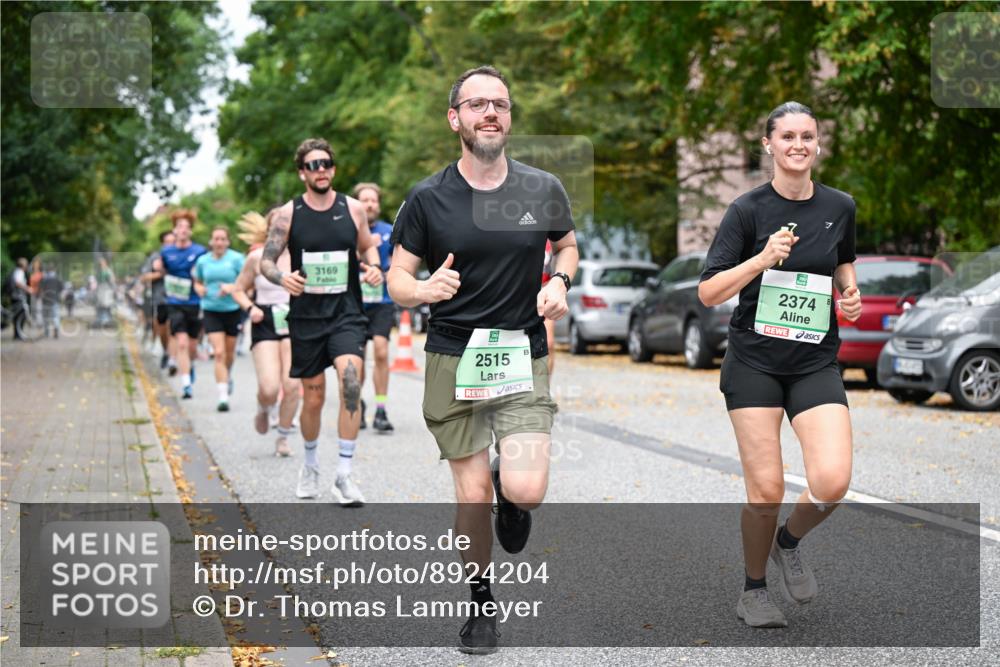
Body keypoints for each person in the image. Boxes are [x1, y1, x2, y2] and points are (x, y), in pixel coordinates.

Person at [387, 65, 578, 654]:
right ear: (455, 119)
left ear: (509, 117)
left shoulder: (542, 187)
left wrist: (561, 282)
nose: (489, 112)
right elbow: (398, 276)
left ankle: (509, 490)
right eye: (476, 104)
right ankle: (480, 602)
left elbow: (566, 244)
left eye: (499, 103)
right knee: (470, 496)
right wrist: (422, 292)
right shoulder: (427, 197)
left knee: (527, 489)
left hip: (522, 351)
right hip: (453, 354)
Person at [697, 101, 862, 628]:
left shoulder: (841, 205)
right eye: (787, 136)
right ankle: (753, 590)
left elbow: (843, 261)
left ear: (818, 144)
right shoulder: (746, 210)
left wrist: (850, 292)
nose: (798, 145)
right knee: (765, 489)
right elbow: (708, 292)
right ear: (767, 144)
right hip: (754, 363)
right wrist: (763, 259)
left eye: (807, 136)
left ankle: (787, 542)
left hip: (814, 361)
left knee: (833, 480)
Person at [258, 138, 383, 505]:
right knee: (313, 399)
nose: (321, 169)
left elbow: (367, 245)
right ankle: (310, 463)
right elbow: (267, 261)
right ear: (302, 173)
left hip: (346, 313)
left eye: (326, 163)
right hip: (307, 318)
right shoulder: (287, 214)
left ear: (333, 168)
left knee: (350, 383)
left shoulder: (354, 208)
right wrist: (282, 278)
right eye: (313, 165)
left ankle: (344, 475)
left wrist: (374, 266)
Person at [231, 210, 301, 456]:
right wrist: (250, 308)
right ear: (269, 229)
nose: (282, 231)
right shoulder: (257, 258)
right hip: (266, 320)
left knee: (292, 386)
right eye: (277, 227)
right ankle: (264, 406)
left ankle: (282, 437)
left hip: (296, 321)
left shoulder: (302, 256)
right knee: (270, 387)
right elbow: (238, 289)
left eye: (287, 226)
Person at [353, 182, 396, 433]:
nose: (369, 204)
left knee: (380, 352)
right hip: (356, 303)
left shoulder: (389, 231)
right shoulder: (348, 230)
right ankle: (356, 404)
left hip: (382, 302)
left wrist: (383, 273)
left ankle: (381, 409)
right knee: (355, 359)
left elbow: (399, 264)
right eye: (364, 200)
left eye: (373, 200)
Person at [157, 210, 207, 400]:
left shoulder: (199, 251)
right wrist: (159, 268)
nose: (183, 230)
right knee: (182, 343)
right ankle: (186, 384)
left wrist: (200, 285)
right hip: (174, 302)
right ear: (174, 230)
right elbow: (163, 272)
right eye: (179, 226)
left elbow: (204, 274)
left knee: (193, 346)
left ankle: (190, 366)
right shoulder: (166, 251)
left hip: (194, 302)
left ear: (190, 231)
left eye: (186, 227)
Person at [194, 226, 245, 412]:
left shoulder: (237, 259)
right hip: (211, 310)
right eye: (216, 239)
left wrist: (232, 287)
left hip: (232, 310)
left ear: (228, 242)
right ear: (211, 242)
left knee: (229, 354)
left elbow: (246, 281)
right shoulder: (203, 261)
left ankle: (227, 375)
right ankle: (223, 397)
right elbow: (198, 281)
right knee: (219, 352)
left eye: (223, 239)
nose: (219, 242)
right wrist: (199, 289)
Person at [140, 230, 177, 369]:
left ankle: (173, 356)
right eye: (167, 242)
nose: (170, 245)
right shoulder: (156, 257)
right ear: (162, 244)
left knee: (175, 327)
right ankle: (166, 351)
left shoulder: (181, 255)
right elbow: (144, 277)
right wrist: (160, 273)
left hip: (179, 298)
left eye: (172, 242)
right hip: (161, 298)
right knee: (163, 328)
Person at [9, 258, 31, 340]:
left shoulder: (17, 271)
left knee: (18, 316)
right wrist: (28, 288)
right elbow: (18, 283)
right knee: (20, 316)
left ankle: (17, 334)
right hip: (18, 297)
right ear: (23, 265)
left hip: (16, 296)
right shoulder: (20, 272)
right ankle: (18, 334)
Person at [40, 269, 63, 338]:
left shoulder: (44, 279)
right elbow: (61, 288)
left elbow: (41, 289)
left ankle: (46, 332)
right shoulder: (57, 279)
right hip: (55, 299)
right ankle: (56, 328)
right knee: (55, 316)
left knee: (46, 317)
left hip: (45, 300)